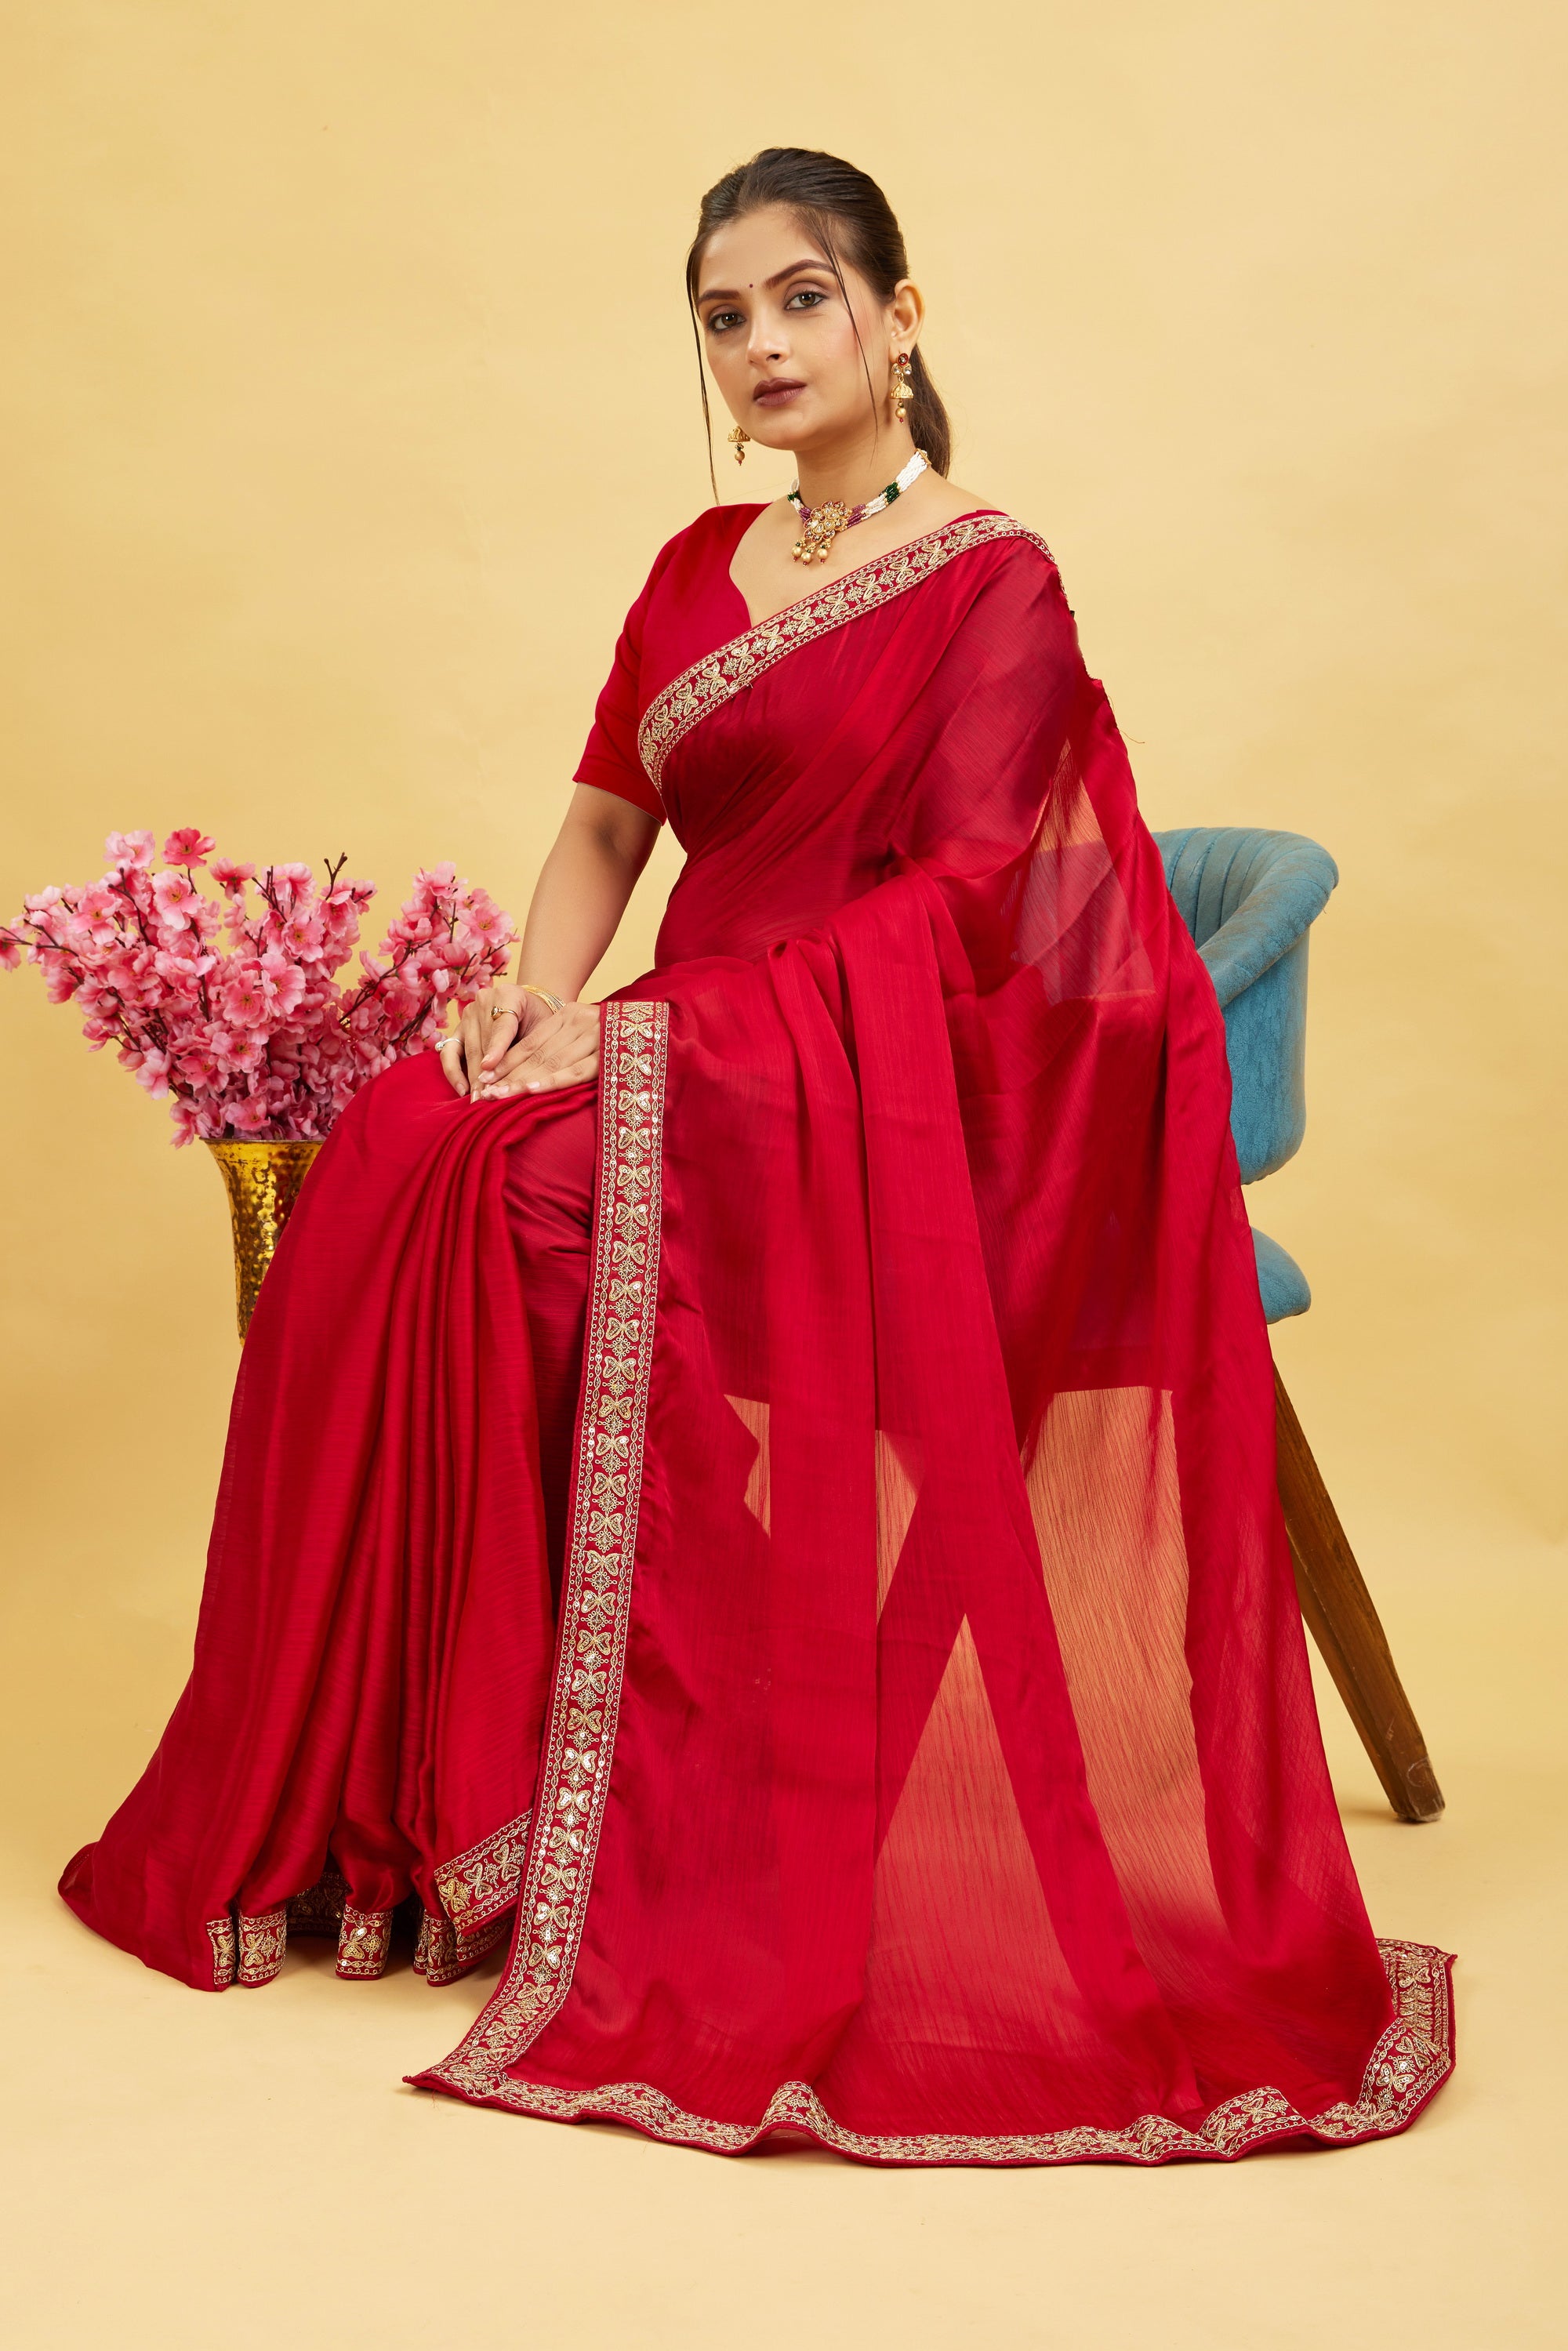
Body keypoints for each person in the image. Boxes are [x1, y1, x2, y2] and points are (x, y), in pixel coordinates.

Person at [60, 147, 1454, 2164]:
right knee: (405, 1137)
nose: (764, 345)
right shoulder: (691, 570)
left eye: (804, 299)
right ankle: (421, 1807)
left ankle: (631, 1770)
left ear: (899, 316)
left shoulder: (991, 579)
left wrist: (670, 1043)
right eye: (726, 317)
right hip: (695, 1052)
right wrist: (534, 1005)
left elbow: (965, 910)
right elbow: (604, 829)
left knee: (534, 1208)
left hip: (881, 1087)